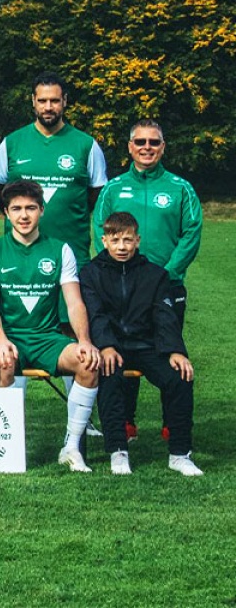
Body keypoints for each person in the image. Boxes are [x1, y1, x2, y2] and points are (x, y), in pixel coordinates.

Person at [92, 119, 202, 441]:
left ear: (163, 147)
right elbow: (102, 231)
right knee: (124, 349)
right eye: (140, 142)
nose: (146, 148)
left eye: (154, 142)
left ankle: (172, 422)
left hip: (167, 286)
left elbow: (191, 232)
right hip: (122, 286)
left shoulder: (180, 188)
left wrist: (166, 274)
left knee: (168, 351)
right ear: (129, 147)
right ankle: (126, 421)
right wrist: (116, 272)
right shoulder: (114, 188)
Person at [0, 180, 101, 472]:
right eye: (17, 209)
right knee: (4, 362)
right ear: (5, 214)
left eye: (31, 208)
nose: (24, 216)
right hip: (12, 338)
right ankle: (3, 447)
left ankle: (71, 448)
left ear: (42, 211)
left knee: (88, 364)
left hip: (47, 339)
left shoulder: (60, 250)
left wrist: (84, 340)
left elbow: (74, 302)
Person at [80, 211, 201, 476]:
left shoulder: (155, 275)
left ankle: (180, 454)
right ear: (104, 241)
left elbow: (164, 315)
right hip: (112, 346)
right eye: (115, 240)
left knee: (180, 377)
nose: (121, 247)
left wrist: (176, 351)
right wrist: (107, 346)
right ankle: (117, 451)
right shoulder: (90, 273)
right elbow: (95, 314)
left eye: (127, 240)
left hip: (147, 346)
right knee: (108, 373)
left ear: (138, 240)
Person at [0, 72, 107, 266]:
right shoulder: (11, 143)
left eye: (54, 101)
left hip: (72, 257)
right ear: (33, 101)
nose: (48, 107)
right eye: (42, 101)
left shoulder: (86, 145)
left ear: (65, 101)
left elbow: (96, 194)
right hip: (19, 258)